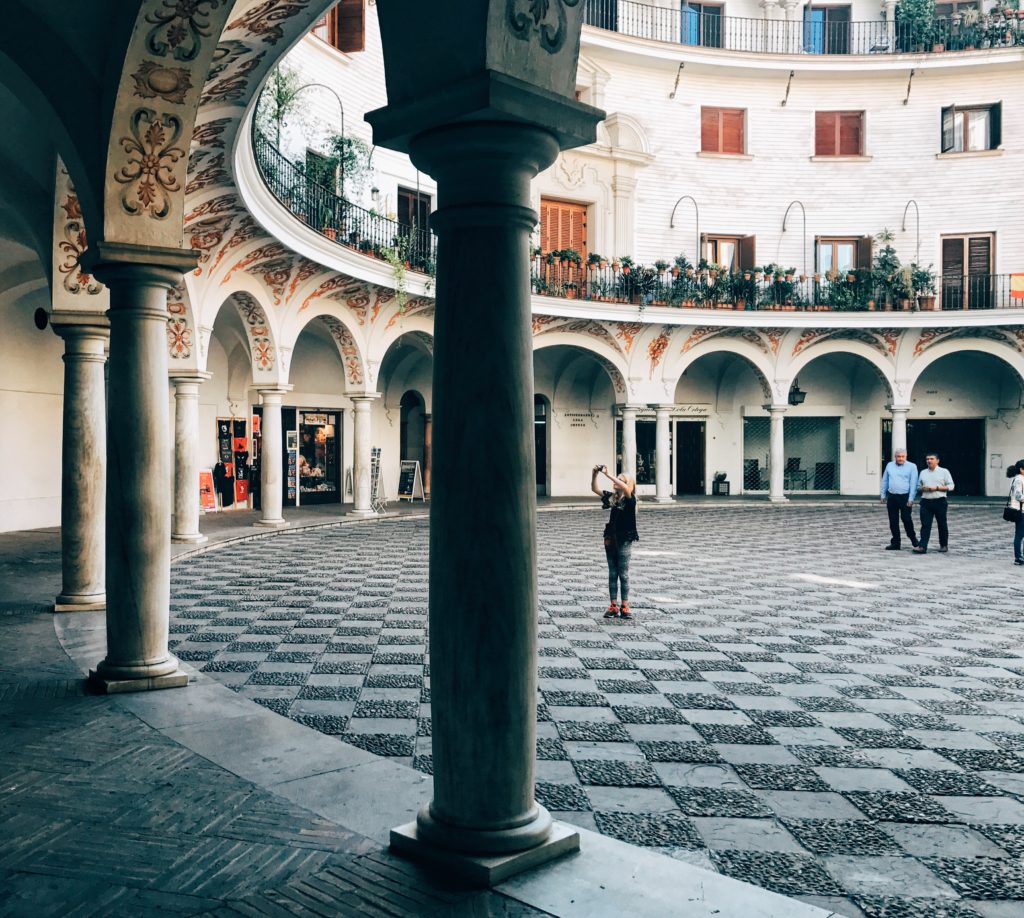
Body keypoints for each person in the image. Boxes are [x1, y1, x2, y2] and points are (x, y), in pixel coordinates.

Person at [591, 464, 639, 620]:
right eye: (616, 479)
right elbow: (595, 489)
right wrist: (595, 474)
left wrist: (608, 474)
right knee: (612, 573)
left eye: (620, 479)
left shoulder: (630, 500)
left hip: (624, 540)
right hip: (611, 538)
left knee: (623, 574)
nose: (616, 481)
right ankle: (613, 605)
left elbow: (626, 488)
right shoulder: (614, 498)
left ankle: (625, 606)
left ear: (628, 484)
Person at [914, 453, 954, 554]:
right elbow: (918, 486)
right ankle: (922, 546)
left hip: (939, 501)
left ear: (937, 461)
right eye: (927, 459)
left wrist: (936, 488)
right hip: (926, 501)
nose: (929, 461)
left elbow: (951, 486)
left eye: (931, 459)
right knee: (925, 525)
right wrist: (922, 488)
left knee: (942, 524)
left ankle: (944, 545)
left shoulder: (944, 471)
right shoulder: (923, 472)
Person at [880, 448, 919, 550]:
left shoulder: (912, 466)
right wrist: (883, 495)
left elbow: (913, 484)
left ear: (906, 456)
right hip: (892, 496)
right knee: (893, 521)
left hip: (905, 497)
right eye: (898, 456)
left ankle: (913, 540)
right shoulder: (889, 465)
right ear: (895, 457)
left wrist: (911, 498)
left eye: (902, 456)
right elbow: (885, 480)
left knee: (906, 519)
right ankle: (896, 543)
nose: (900, 458)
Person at [1010, 459, 1024, 567]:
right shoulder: (1019, 479)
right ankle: (1018, 557)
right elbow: (1018, 495)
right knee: (1019, 534)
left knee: (1020, 534)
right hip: (1021, 511)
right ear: (1021, 469)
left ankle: (1019, 556)